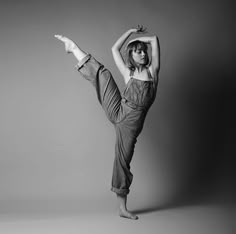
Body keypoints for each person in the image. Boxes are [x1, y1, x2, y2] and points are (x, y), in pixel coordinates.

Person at [54, 25, 160, 220]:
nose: (143, 54)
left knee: (122, 162)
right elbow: (114, 49)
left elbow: (154, 40)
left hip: (129, 125)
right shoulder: (129, 73)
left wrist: (139, 40)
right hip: (119, 109)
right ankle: (74, 49)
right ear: (132, 56)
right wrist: (129, 33)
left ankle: (122, 208)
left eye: (143, 52)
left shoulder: (153, 72)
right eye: (138, 52)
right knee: (104, 75)